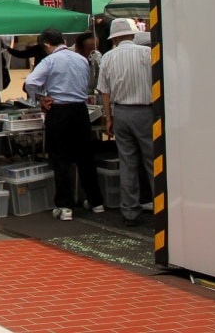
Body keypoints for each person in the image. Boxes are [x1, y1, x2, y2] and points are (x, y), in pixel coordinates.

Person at [23, 28, 105, 221]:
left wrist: (41, 98)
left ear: (46, 45)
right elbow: (88, 82)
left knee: (61, 159)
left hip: (59, 110)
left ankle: (65, 206)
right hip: (80, 110)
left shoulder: (50, 60)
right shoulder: (81, 59)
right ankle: (96, 201)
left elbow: (30, 82)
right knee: (85, 156)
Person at [96, 18, 154, 227]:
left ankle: (129, 211)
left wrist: (108, 117)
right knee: (152, 161)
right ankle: (162, 208)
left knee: (127, 163)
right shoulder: (147, 53)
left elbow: (104, 90)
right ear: (132, 34)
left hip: (121, 112)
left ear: (115, 38)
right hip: (146, 111)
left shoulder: (108, 58)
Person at [74, 31, 102, 99]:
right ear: (78, 49)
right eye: (91, 49)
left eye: (97, 48)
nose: (95, 52)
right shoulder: (69, 61)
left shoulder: (96, 61)